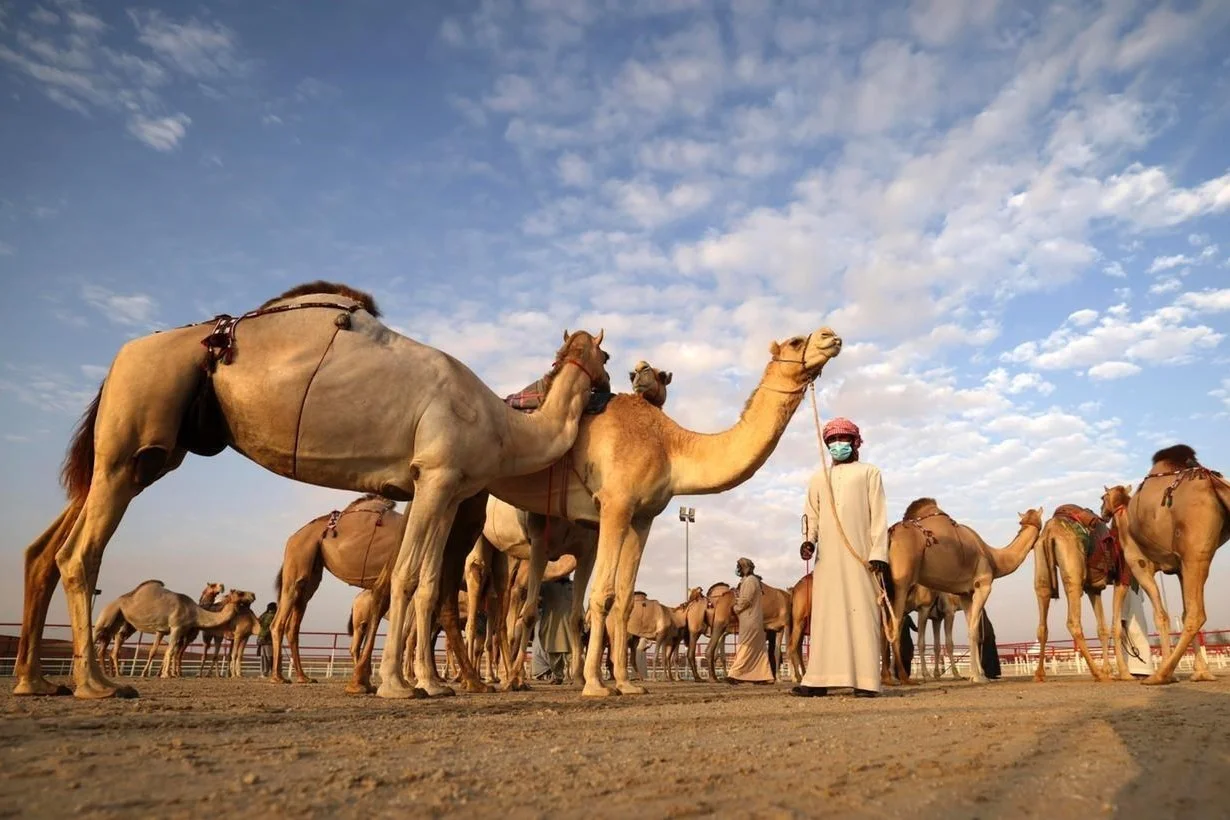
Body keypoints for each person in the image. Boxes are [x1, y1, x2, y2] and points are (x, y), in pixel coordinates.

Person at [792, 417, 890, 698]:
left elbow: (878, 514)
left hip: (861, 556)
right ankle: (818, 679)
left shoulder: (870, 473)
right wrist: (808, 541)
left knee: (863, 615)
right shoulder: (818, 477)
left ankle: (866, 680)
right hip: (828, 560)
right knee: (825, 616)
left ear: (854, 443)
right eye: (832, 441)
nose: (837, 445)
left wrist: (878, 551)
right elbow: (812, 514)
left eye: (843, 439)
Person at [725, 558, 775, 685]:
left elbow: (745, 601)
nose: (738, 570)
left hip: (749, 619)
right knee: (758, 649)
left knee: (744, 645)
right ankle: (763, 676)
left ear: (744, 568)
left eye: (739, 567)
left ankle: (735, 674)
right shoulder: (750, 581)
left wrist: (735, 608)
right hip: (753, 619)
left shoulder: (750, 581)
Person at [532, 578, 573, 684]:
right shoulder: (545, 585)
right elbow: (536, 600)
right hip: (551, 624)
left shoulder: (573, 585)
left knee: (573, 653)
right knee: (553, 652)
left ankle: (576, 676)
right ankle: (558, 676)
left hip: (570, 623)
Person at [1121, 582, 1154, 678]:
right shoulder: (1138, 584)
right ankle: (1144, 669)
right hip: (1139, 616)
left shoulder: (1126, 584)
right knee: (1141, 641)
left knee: (1131, 642)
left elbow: (1124, 604)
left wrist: (1121, 620)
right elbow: (1142, 599)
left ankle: (1135, 670)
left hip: (1129, 617)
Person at [978, 610, 1002, 680]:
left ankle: (991, 673)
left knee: (990, 652)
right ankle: (987, 673)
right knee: (985, 653)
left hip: (988, 636)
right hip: (984, 637)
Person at [257, 602, 277, 678]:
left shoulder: (264, 615)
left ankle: (264, 673)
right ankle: (272, 672)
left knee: (264, 657)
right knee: (270, 657)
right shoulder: (273, 616)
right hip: (269, 640)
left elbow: (258, 621)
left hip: (261, 640)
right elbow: (269, 627)